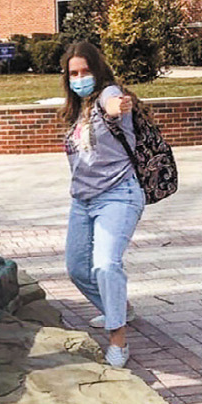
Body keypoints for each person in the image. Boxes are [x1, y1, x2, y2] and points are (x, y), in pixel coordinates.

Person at [58, 40, 142, 368]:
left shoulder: (108, 94)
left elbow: (113, 102)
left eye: (85, 71)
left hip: (118, 194)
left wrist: (117, 106)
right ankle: (119, 307)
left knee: (105, 265)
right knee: (77, 268)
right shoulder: (73, 111)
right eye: (73, 73)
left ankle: (118, 341)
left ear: (97, 70)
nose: (80, 78)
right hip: (82, 200)